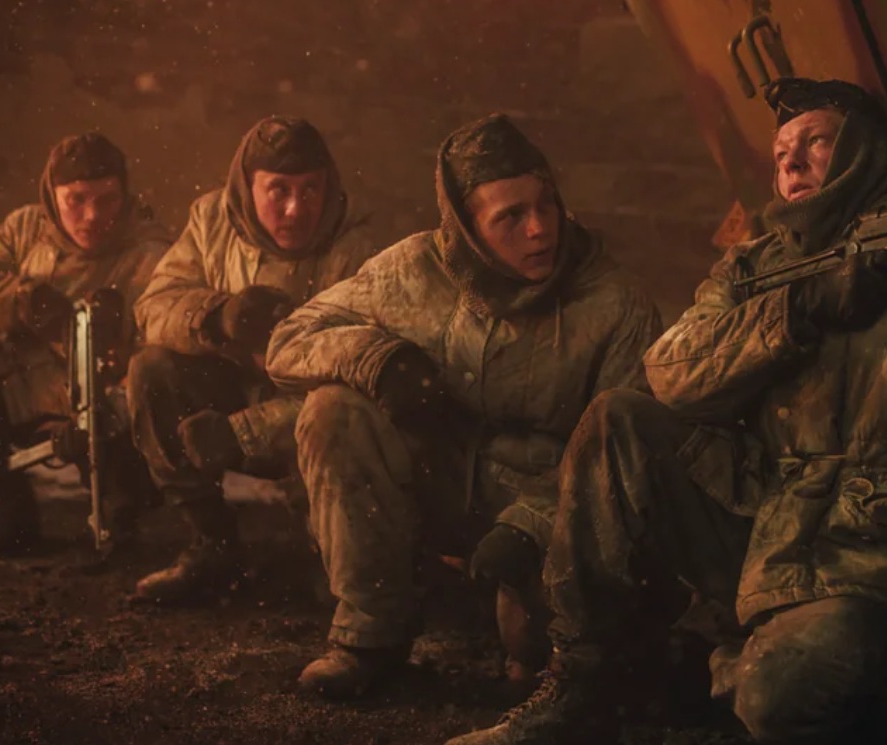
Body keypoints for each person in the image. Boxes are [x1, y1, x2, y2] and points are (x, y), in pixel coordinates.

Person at [448, 78, 887, 744]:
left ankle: (784, 672)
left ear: (863, 151)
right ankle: (583, 685)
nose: (792, 162)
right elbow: (671, 372)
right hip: (773, 537)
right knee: (618, 420)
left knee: (774, 698)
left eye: (816, 142)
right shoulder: (756, 265)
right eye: (780, 154)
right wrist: (799, 311)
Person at [265, 113, 663, 698]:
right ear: (467, 228)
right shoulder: (411, 271)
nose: (539, 229)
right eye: (510, 217)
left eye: (546, 206)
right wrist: (379, 359)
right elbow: (288, 342)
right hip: (438, 479)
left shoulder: (614, 303)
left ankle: (538, 655)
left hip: (552, 501)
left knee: (542, 659)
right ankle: (370, 637)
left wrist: (532, 525)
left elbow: (628, 456)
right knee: (332, 410)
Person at [127, 116, 378, 604]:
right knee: (152, 368)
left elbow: (355, 381)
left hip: (305, 414)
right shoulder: (212, 220)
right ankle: (212, 542)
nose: (295, 208)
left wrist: (241, 431)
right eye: (278, 190)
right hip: (228, 393)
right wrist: (216, 316)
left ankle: (330, 553)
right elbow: (153, 306)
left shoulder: (358, 246)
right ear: (247, 186)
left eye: (310, 190)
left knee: (342, 578)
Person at [0, 132, 172, 554]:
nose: (92, 216)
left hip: (108, 402)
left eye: (107, 200)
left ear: (125, 196)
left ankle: (122, 513)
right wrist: (22, 301)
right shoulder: (27, 229)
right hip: (26, 386)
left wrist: (100, 410)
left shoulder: (150, 253)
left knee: (126, 497)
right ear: (52, 196)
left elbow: (157, 354)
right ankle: (8, 503)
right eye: (76, 200)